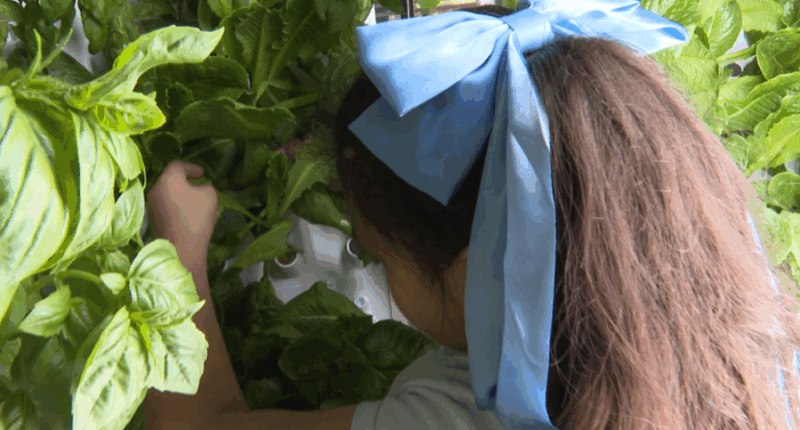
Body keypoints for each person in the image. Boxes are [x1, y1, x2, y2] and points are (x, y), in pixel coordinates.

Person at [142, 3, 800, 430]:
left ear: (473, 275)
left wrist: (179, 257)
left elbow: (199, 425)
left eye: (377, 254)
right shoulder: (754, 343)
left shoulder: (460, 419)